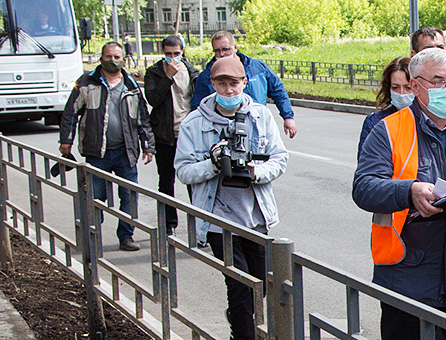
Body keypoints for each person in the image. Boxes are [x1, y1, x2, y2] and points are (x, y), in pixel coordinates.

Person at [352, 48, 446, 340]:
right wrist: (409, 191)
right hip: (408, 280)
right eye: (437, 82)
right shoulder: (388, 130)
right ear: (415, 86)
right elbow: (363, 187)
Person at [174, 56, 288, 340]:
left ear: (244, 83)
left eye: (233, 84)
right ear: (212, 84)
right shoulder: (194, 123)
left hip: (255, 216)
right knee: (239, 286)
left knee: (260, 282)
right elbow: (183, 171)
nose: (228, 90)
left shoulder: (260, 116)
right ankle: (243, 333)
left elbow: (279, 158)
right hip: (218, 221)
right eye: (222, 84)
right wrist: (212, 164)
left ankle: (240, 317)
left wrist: (255, 171)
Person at [59, 42, 155, 252]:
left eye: (117, 57)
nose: (113, 61)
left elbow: (143, 119)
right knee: (95, 197)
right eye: (108, 56)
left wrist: (148, 146)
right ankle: (92, 235)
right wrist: (66, 141)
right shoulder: (86, 83)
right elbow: (70, 113)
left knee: (129, 196)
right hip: (97, 153)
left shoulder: (131, 86)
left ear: (123, 59)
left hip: (125, 152)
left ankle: (126, 236)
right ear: (101, 58)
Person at [192, 30, 298, 138]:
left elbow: (278, 91)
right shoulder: (206, 76)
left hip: (257, 125)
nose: (222, 54)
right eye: (217, 51)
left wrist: (288, 116)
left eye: (226, 49)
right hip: (222, 131)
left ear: (235, 48)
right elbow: (198, 107)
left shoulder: (257, 68)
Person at [144, 35, 199, 235]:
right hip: (165, 135)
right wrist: (167, 77)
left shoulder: (192, 72)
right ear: (163, 53)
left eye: (176, 53)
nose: (173, 57)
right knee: (166, 182)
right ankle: (169, 225)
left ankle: (200, 227)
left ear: (183, 51)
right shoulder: (154, 72)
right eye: (168, 54)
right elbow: (153, 100)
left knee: (194, 182)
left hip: (188, 136)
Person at [358, 56, 412, 154]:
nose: (401, 94)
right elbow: (367, 164)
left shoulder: (428, 122)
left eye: (408, 88)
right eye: (395, 88)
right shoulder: (375, 123)